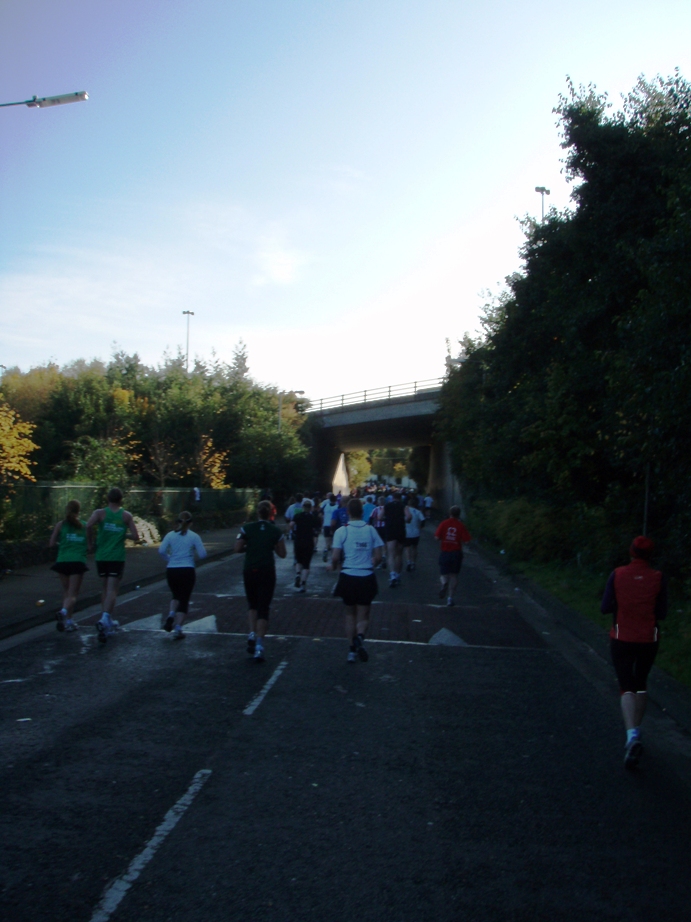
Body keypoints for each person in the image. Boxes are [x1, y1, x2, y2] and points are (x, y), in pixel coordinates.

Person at [601, 536, 667, 769]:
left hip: (622, 637)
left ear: (631, 552)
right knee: (640, 683)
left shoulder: (617, 574)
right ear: (651, 556)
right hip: (648, 639)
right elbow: (662, 612)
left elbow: (605, 606)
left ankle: (631, 737)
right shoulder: (658, 578)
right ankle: (637, 732)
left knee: (626, 686)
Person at [329, 498, 384, 663]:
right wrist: (372, 563)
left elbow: (335, 557)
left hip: (348, 576)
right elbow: (379, 557)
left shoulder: (341, 531)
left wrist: (333, 566)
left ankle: (351, 650)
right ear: (362, 512)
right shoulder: (371, 530)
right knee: (364, 615)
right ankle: (360, 636)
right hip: (366, 576)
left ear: (348, 512)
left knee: (349, 614)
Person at [234, 499, 286, 662]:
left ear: (257, 512)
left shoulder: (247, 529)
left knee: (252, 604)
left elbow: (237, 548)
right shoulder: (276, 531)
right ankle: (259, 645)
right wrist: (270, 546)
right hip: (266, 570)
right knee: (264, 607)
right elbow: (282, 553)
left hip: (250, 569)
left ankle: (251, 632)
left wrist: (250, 547)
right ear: (271, 513)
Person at [87, 488, 140, 643]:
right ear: (121, 499)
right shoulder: (126, 516)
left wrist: (90, 543)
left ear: (108, 499)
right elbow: (136, 536)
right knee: (112, 590)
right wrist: (124, 534)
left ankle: (107, 619)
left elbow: (88, 526)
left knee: (104, 588)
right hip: (116, 557)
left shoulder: (99, 513)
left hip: (101, 556)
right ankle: (105, 618)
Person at [158, 511, 207, 640]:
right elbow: (203, 555)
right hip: (187, 570)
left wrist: (170, 559)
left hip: (172, 570)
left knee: (175, 595)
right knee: (184, 599)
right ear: (191, 523)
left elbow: (161, 551)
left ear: (178, 521)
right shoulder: (194, 536)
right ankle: (178, 628)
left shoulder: (170, 535)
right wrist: (191, 556)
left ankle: (171, 615)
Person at [49, 499, 88, 632]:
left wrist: (64, 545)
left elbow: (51, 543)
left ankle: (69, 621)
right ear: (78, 511)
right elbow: (89, 544)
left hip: (62, 561)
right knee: (73, 594)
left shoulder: (60, 525)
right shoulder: (84, 526)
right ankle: (64, 612)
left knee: (66, 592)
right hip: (77, 561)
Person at [434, 505, 471, 606]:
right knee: (454, 575)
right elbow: (467, 541)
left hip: (445, 551)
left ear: (450, 513)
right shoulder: (461, 525)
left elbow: (437, 537)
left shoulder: (444, 523)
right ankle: (450, 598)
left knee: (443, 574)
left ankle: (443, 584)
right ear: (459, 514)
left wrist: (444, 539)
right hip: (456, 552)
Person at [291, 498, 320, 592]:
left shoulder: (297, 516)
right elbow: (316, 531)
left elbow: (291, 524)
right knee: (306, 564)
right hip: (308, 541)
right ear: (311, 508)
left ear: (303, 507)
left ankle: (297, 574)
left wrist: (294, 531)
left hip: (298, 540)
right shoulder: (313, 518)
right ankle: (303, 584)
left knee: (298, 560)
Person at [384, 491, 406, 587]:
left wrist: (387, 518)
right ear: (400, 498)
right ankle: (398, 574)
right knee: (399, 554)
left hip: (390, 529)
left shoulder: (387, 506)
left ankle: (392, 574)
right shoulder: (403, 506)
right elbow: (409, 516)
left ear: (392, 497)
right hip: (400, 529)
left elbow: (379, 517)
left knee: (391, 553)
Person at [404, 495, 426, 571]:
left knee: (407, 548)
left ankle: (408, 561)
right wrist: (421, 526)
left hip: (407, 532)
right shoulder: (418, 512)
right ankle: (413, 562)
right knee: (414, 548)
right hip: (416, 532)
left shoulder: (405, 511)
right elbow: (423, 520)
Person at [320, 493, 338, 561]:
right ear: (336, 500)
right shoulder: (337, 507)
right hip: (334, 526)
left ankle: (326, 550)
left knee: (327, 542)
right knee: (334, 542)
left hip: (326, 525)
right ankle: (333, 557)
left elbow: (320, 514)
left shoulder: (325, 506)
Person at [370, 495, 387, 569]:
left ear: (378, 502)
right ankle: (384, 556)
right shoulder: (387, 509)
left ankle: (378, 559)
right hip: (385, 527)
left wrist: (371, 526)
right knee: (384, 542)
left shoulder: (376, 509)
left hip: (377, 527)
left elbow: (371, 518)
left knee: (377, 543)